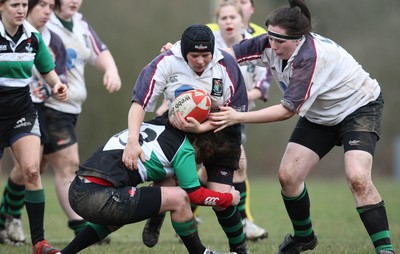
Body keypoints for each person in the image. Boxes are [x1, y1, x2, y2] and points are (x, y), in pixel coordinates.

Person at [209, 0, 396, 253]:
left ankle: (384, 249)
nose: (273, 46)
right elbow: (224, 56)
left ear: (298, 39)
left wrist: (237, 116)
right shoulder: (269, 41)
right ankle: (304, 237)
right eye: (270, 38)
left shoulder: (310, 57)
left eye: (280, 41)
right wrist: (178, 54)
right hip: (320, 115)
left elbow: (286, 111)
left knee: (358, 177)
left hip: (359, 107)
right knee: (289, 175)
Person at [126, 24, 250, 253]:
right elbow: (139, 102)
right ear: (184, 53)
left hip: (220, 128)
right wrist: (133, 140)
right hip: (178, 128)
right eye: (194, 55)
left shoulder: (226, 65)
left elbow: (237, 112)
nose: (201, 61)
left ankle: (239, 248)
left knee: (221, 197)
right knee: (166, 180)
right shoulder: (166, 61)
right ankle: (157, 213)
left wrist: (202, 126)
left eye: (206, 55)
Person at [58, 114, 240, 254]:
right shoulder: (183, 148)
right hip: (98, 195)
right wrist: (228, 198)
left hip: (78, 189)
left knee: (117, 217)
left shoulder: (155, 123)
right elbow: (194, 195)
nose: (197, 163)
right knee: (180, 198)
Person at [37, 0, 120, 239]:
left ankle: (7, 217)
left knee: (32, 168)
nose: (74, 0)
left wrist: (111, 70)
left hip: (72, 109)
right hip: (52, 107)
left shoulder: (80, 23)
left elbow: (99, 51)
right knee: (69, 165)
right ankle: (80, 226)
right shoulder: (44, 21)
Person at [0, 0, 68, 252]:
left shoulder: (33, 37)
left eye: (24, 4)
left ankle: (39, 242)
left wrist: (57, 84)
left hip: (21, 111)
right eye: (14, 4)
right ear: (1, 6)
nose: (20, 9)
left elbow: (47, 71)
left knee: (31, 171)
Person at [200, 0, 271, 241]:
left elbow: (262, 88)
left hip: (237, 115)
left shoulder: (258, 44)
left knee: (211, 168)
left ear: (243, 20)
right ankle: (242, 222)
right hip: (208, 112)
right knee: (236, 164)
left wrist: (238, 100)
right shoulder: (208, 40)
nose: (229, 22)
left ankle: (186, 209)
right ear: (217, 20)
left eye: (233, 17)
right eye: (224, 18)